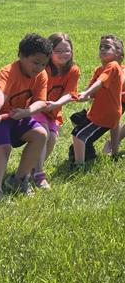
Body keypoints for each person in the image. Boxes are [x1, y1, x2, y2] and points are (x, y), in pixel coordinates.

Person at [0, 33, 52, 200]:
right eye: (35, 62)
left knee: (41, 135)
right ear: (21, 56)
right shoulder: (8, 73)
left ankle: (19, 180)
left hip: (16, 115)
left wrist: (26, 112)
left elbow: (41, 102)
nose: (39, 68)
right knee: (3, 148)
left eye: (44, 64)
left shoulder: (41, 75)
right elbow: (0, 93)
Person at [30, 33, 80, 188]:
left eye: (67, 51)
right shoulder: (43, 68)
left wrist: (55, 104)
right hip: (36, 107)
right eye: (57, 51)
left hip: (53, 111)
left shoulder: (73, 70)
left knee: (51, 139)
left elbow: (70, 94)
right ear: (49, 51)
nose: (63, 54)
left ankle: (30, 168)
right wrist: (44, 104)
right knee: (43, 133)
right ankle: (39, 174)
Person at [71, 35, 124, 166]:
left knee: (78, 135)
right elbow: (92, 92)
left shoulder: (113, 66)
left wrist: (87, 92)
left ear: (118, 52)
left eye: (107, 47)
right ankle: (115, 154)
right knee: (112, 126)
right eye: (101, 47)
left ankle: (79, 166)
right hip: (106, 112)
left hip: (104, 114)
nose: (102, 49)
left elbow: (101, 82)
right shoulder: (99, 70)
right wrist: (82, 96)